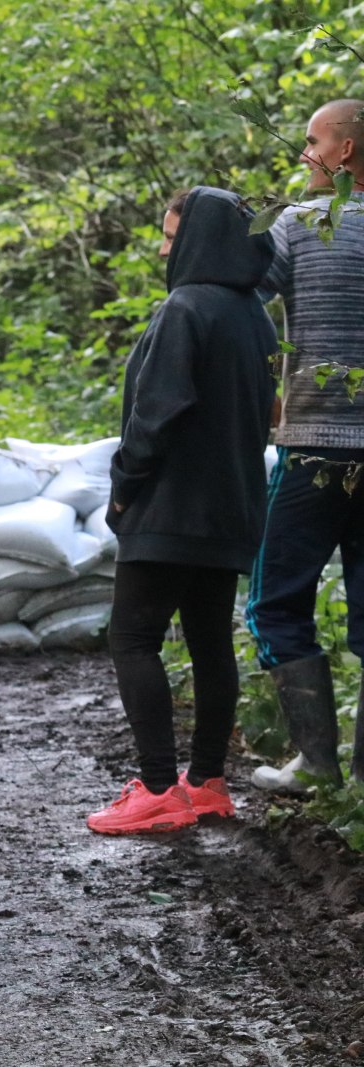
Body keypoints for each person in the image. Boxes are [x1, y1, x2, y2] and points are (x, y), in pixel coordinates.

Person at [86, 187, 278, 835]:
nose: (164, 250)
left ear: (200, 239)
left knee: (133, 637)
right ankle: (209, 782)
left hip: (170, 506)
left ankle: (161, 786)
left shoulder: (184, 309)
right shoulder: (255, 316)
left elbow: (156, 414)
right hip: (230, 509)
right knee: (209, 641)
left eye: (171, 237)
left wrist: (124, 484)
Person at [245, 98, 364, 793]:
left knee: (273, 602)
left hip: (317, 449)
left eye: (312, 141)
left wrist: (268, 392)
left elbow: (246, 309)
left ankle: (317, 765)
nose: (303, 155)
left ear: (344, 153)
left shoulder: (299, 223)